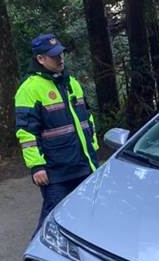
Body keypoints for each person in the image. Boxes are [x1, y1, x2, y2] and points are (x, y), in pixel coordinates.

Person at [15, 33, 99, 232]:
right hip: (56, 172)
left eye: (61, 54)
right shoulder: (29, 89)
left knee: (87, 216)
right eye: (54, 56)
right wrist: (37, 166)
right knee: (52, 221)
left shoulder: (72, 83)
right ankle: (37, 258)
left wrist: (93, 149)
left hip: (84, 165)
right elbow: (26, 133)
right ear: (40, 59)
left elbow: (87, 119)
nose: (60, 58)